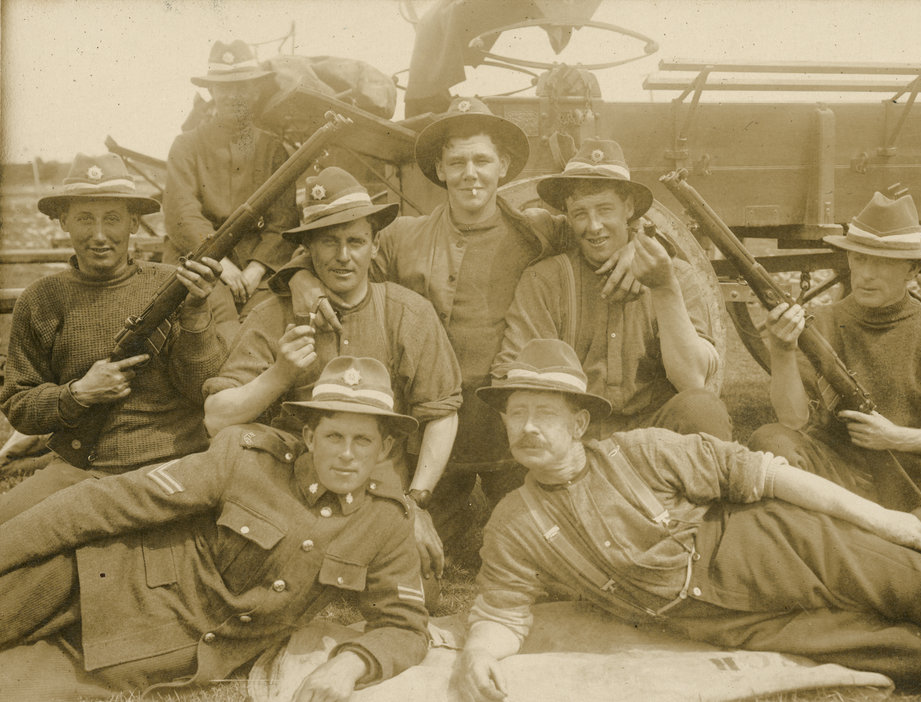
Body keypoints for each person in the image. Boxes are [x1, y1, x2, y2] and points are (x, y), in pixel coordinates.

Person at [456, 338, 921, 700]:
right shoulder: (512, 523)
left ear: (578, 425)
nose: (527, 428)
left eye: (543, 412)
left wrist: (882, 519)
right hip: (712, 621)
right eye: (517, 413)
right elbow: (502, 613)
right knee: (919, 657)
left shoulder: (641, 450)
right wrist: (478, 656)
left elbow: (766, 473)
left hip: (767, 546)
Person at [275, 97, 639, 548]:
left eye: (482, 160)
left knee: (536, 539)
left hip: (504, 430)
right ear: (441, 169)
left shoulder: (539, 231)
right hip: (427, 429)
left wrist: (636, 245)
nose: (471, 173)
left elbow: (602, 231)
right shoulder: (401, 237)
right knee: (407, 542)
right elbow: (337, 243)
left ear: (503, 166)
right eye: (458, 161)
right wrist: (301, 276)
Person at [0, 356, 430, 701]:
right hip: (88, 579)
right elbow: (107, 501)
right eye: (335, 437)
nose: (347, 456)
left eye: (363, 441)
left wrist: (350, 662)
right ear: (310, 435)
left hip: (142, 650)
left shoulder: (386, 522)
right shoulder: (246, 459)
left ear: (385, 448)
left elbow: (406, 626)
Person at [203, 167, 463, 588]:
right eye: (329, 241)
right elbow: (217, 419)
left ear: (375, 245)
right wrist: (280, 373)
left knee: (414, 593)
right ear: (307, 248)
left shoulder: (408, 313)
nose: (343, 256)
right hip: (295, 491)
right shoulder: (273, 315)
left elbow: (442, 413)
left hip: (381, 494)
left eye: (356, 241)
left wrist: (414, 502)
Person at [749, 191, 921, 559]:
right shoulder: (823, 323)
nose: (865, 273)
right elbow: (792, 419)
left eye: (882, 262)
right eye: (859, 257)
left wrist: (896, 437)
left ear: (913, 269)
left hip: (903, 488)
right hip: (828, 482)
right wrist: (783, 352)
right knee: (771, 439)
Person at [0, 153, 227, 521]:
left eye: (113, 219)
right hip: (81, 465)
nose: (99, 235)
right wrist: (78, 394)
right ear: (64, 222)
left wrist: (198, 315)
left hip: (172, 465)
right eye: (85, 219)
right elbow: (18, 404)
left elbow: (204, 388)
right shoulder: (39, 299)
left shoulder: (175, 285)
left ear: (134, 223)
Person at [494, 138, 731, 440]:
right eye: (580, 213)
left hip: (654, 438)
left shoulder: (678, 277)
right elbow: (514, 374)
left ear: (629, 209)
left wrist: (664, 287)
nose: (593, 226)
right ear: (567, 214)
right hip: (573, 437)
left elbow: (693, 382)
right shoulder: (544, 280)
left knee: (702, 409)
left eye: (605, 209)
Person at [163, 39, 299, 340]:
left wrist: (254, 270)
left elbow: (284, 221)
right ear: (211, 91)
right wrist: (220, 264)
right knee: (208, 328)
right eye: (224, 88)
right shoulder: (186, 146)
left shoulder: (273, 149)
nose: (233, 95)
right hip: (198, 262)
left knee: (268, 327)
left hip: (259, 268)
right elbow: (181, 215)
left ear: (254, 91)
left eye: (241, 87)